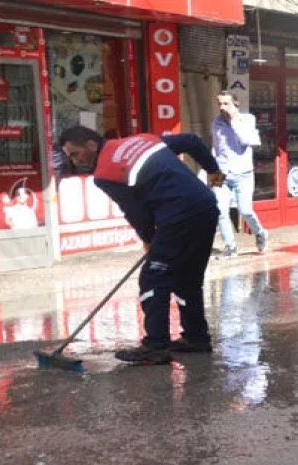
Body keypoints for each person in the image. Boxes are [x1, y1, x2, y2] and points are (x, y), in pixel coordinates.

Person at [57, 126, 225, 364]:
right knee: (188, 277)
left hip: (178, 215)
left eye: (75, 153)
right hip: (206, 206)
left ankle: (155, 346)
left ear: (91, 145)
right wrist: (214, 171)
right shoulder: (145, 140)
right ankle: (197, 338)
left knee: (153, 278)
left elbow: (135, 211)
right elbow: (192, 141)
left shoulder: (105, 174)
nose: (75, 160)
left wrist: (149, 240)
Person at [211, 91, 268, 258]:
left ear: (236, 104)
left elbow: (247, 140)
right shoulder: (216, 122)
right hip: (220, 171)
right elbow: (216, 147)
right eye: (220, 104)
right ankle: (230, 247)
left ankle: (260, 233)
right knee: (220, 210)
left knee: (245, 210)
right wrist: (210, 169)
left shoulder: (247, 119)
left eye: (226, 104)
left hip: (243, 173)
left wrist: (233, 121)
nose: (222, 107)